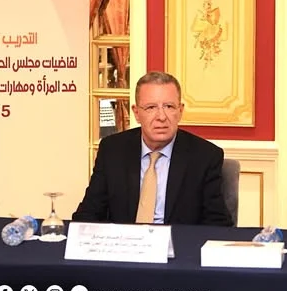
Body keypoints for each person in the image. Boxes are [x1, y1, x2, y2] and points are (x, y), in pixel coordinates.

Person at [72, 71, 233, 226]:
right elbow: (88, 214)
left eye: (169, 106)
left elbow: (217, 225)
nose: (161, 117)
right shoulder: (112, 151)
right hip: (124, 242)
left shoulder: (205, 156)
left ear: (180, 111)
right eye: (151, 107)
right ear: (136, 113)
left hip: (178, 243)